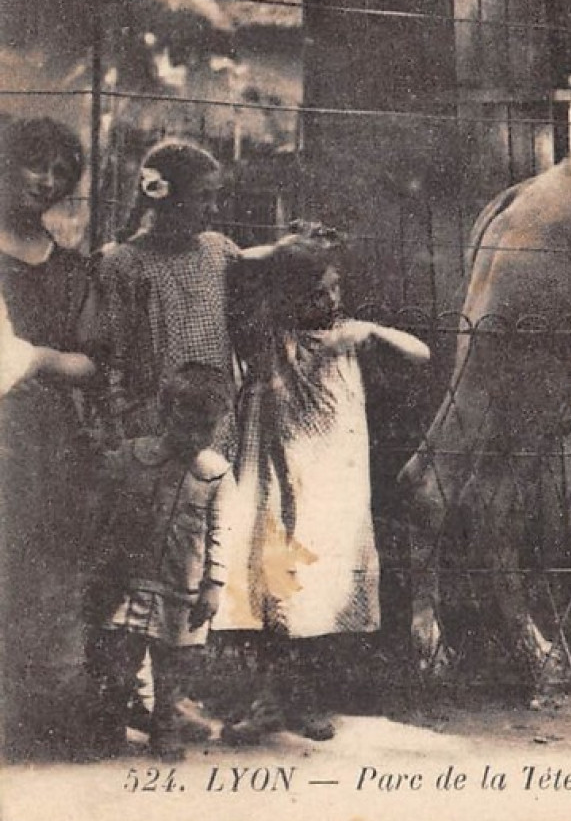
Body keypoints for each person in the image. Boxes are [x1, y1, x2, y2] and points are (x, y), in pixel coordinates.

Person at [215, 223, 430, 744]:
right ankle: (269, 700)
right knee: (273, 581)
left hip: (332, 481)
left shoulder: (348, 334)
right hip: (278, 474)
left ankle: (303, 700)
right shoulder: (271, 335)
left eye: (336, 286)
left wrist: (373, 330)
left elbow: (421, 354)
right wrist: (292, 253)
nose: (329, 299)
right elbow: (244, 265)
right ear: (290, 290)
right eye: (316, 289)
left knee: (321, 589)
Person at [0, 116, 102, 756]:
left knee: (48, 572)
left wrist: (31, 359)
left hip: (49, 438)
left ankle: (38, 714)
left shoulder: (72, 270)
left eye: (62, 173)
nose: (47, 181)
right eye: (35, 164)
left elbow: (91, 360)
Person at [84, 363, 234, 761]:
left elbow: (220, 533)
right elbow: (104, 516)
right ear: (165, 413)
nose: (195, 438)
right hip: (128, 582)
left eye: (206, 429)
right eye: (186, 426)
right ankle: (110, 726)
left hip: (180, 588)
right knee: (119, 662)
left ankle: (165, 730)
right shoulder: (132, 456)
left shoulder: (215, 474)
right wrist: (101, 568)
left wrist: (214, 584)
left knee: (174, 670)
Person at [98, 138, 239, 453]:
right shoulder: (125, 264)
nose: (213, 209)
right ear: (167, 199)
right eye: (202, 198)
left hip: (215, 424)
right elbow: (113, 359)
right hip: (155, 428)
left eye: (215, 198)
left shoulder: (220, 252)